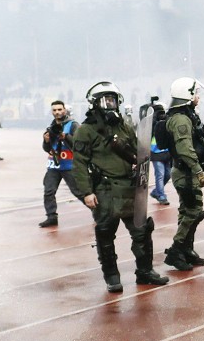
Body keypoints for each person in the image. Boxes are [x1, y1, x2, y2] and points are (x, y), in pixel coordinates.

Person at [71, 81, 168, 292]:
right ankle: (112, 276)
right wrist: (87, 192)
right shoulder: (85, 131)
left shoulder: (124, 126)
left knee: (142, 231)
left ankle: (145, 272)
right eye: (105, 101)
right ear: (94, 104)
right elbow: (78, 164)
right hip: (105, 190)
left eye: (112, 100)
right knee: (105, 234)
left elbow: (138, 150)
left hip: (130, 188)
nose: (110, 105)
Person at [161, 77, 204, 272]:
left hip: (186, 171)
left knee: (187, 212)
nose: (198, 96)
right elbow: (185, 149)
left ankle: (186, 250)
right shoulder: (181, 119)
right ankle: (175, 251)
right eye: (196, 93)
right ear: (187, 95)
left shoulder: (185, 114)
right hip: (186, 173)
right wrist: (199, 171)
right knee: (193, 211)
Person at [38, 100, 80, 228]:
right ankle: (51, 217)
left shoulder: (73, 125)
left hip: (69, 165)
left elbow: (79, 144)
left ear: (64, 110)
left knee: (79, 191)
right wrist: (46, 141)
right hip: (54, 165)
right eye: (54, 110)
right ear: (52, 112)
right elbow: (46, 148)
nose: (57, 112)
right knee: (48, 191)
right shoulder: (50, 127)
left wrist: (65, 137)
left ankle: (98, 212)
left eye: (59, 109)